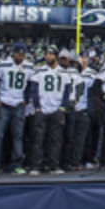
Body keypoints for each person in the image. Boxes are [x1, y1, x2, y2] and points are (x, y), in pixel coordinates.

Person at [0, 42, 31, 175]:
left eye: (23, 54)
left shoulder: (29, 67)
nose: (21, 57)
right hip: (4, 103)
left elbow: (31, 85)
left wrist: (25, 98)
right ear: (13, 53)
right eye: (18, 54)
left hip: (18, 104)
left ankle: (17, 163)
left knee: (18, 136)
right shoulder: (2, 65)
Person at [27, 45, 68, 175]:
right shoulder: (39, 71)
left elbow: (67, 91)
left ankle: (53, 165)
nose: (48, 57)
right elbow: (33, 90)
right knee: (39, 139)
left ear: (56, 56)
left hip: (56, 108)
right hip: (43, 108)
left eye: (51, 54)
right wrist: (37, 106)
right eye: (46, 54)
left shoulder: (63, 72)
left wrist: (62, 106)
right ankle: (37, 165)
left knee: (55, 139)